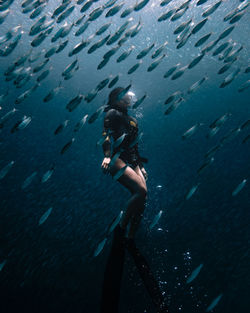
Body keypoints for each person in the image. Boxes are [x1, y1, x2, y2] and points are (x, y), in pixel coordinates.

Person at [101, 87, 148, 239]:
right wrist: (107, 156)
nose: (129, 97)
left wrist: (140, 165)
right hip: (118, 159)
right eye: (124, 95)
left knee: (143, 198)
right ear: (116, 99)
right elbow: (105, 135)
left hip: (133, 161)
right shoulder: (112, 113)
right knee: (141, 191)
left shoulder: (134, 121)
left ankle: (131, 237)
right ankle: (120, 229)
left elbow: (134, 145)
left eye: (128, 95)